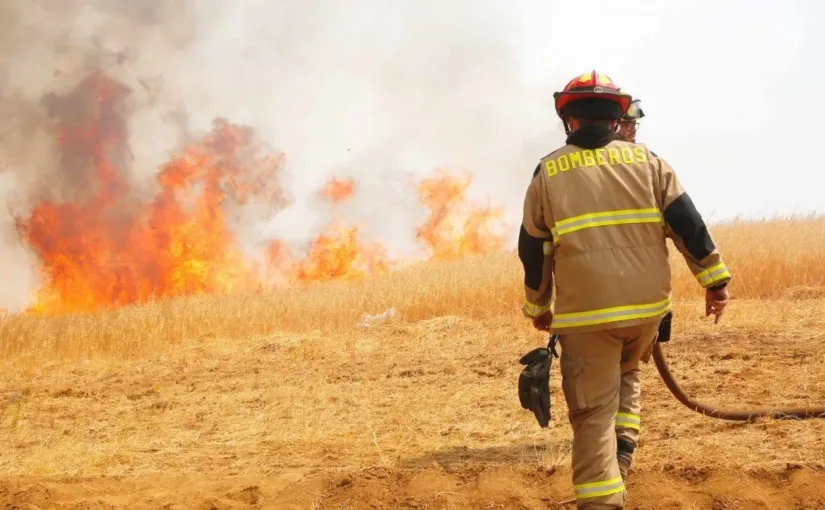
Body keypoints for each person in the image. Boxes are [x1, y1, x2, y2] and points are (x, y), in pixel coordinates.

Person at [517, 70, 731, 509]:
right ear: (615, 121)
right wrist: (715, 281)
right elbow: (690, 226)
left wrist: (538, 306)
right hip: (647, 313)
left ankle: (602, 501)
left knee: (593, 413)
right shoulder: (650, 162)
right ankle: (623, 457)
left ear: (570, 121)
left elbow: (533, 249)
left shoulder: (547, 172)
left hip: (587, 320)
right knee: (628, 373)